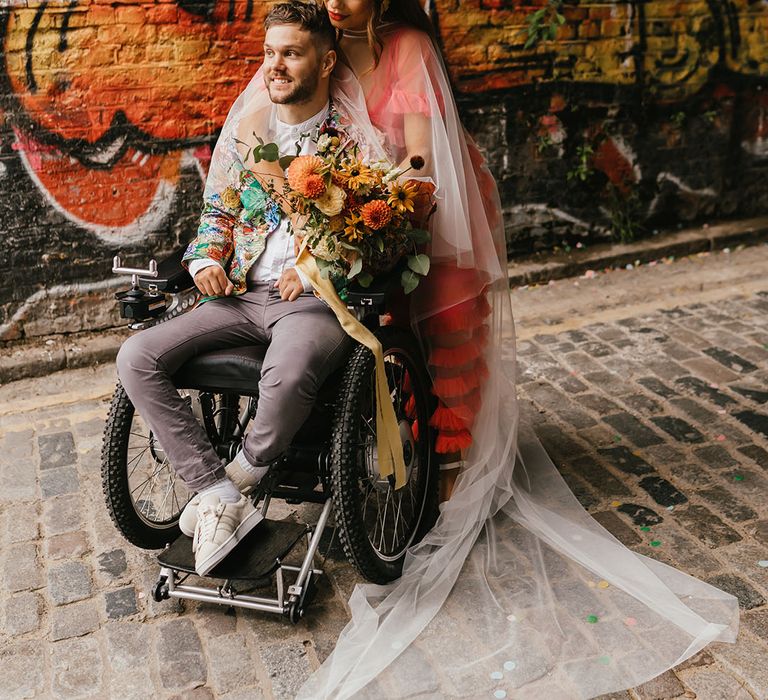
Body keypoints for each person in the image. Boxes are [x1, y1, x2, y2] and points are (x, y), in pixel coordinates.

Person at [294, 1, 740, 698]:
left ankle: (450, 480)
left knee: (445, 342)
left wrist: (375, 198)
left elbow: (419, 151)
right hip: (361, 211)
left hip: (427, 202)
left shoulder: (408, 47)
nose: (334, 1)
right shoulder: (319, 44)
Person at [116, 3, 353, 577]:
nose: (275, 65)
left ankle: (240, 479)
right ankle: (215, 492)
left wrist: (318, 262)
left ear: (325, 62)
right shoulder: (248, 131)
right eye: (269, 52)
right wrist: (203, 261)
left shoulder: (350, 140)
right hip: (239, 295)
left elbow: (364, 228)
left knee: (291, 372)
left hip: (309, 301)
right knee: (137, 355)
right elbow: (218, 211)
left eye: (290, 53)